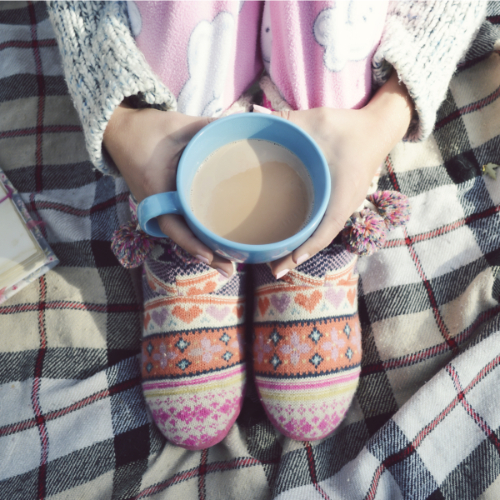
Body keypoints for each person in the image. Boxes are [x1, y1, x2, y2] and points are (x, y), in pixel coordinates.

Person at [48, 0, 486, 450]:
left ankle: (327, 189)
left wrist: (382, 120)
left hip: (336, 103)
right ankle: (178, 171)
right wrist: (122, 119)